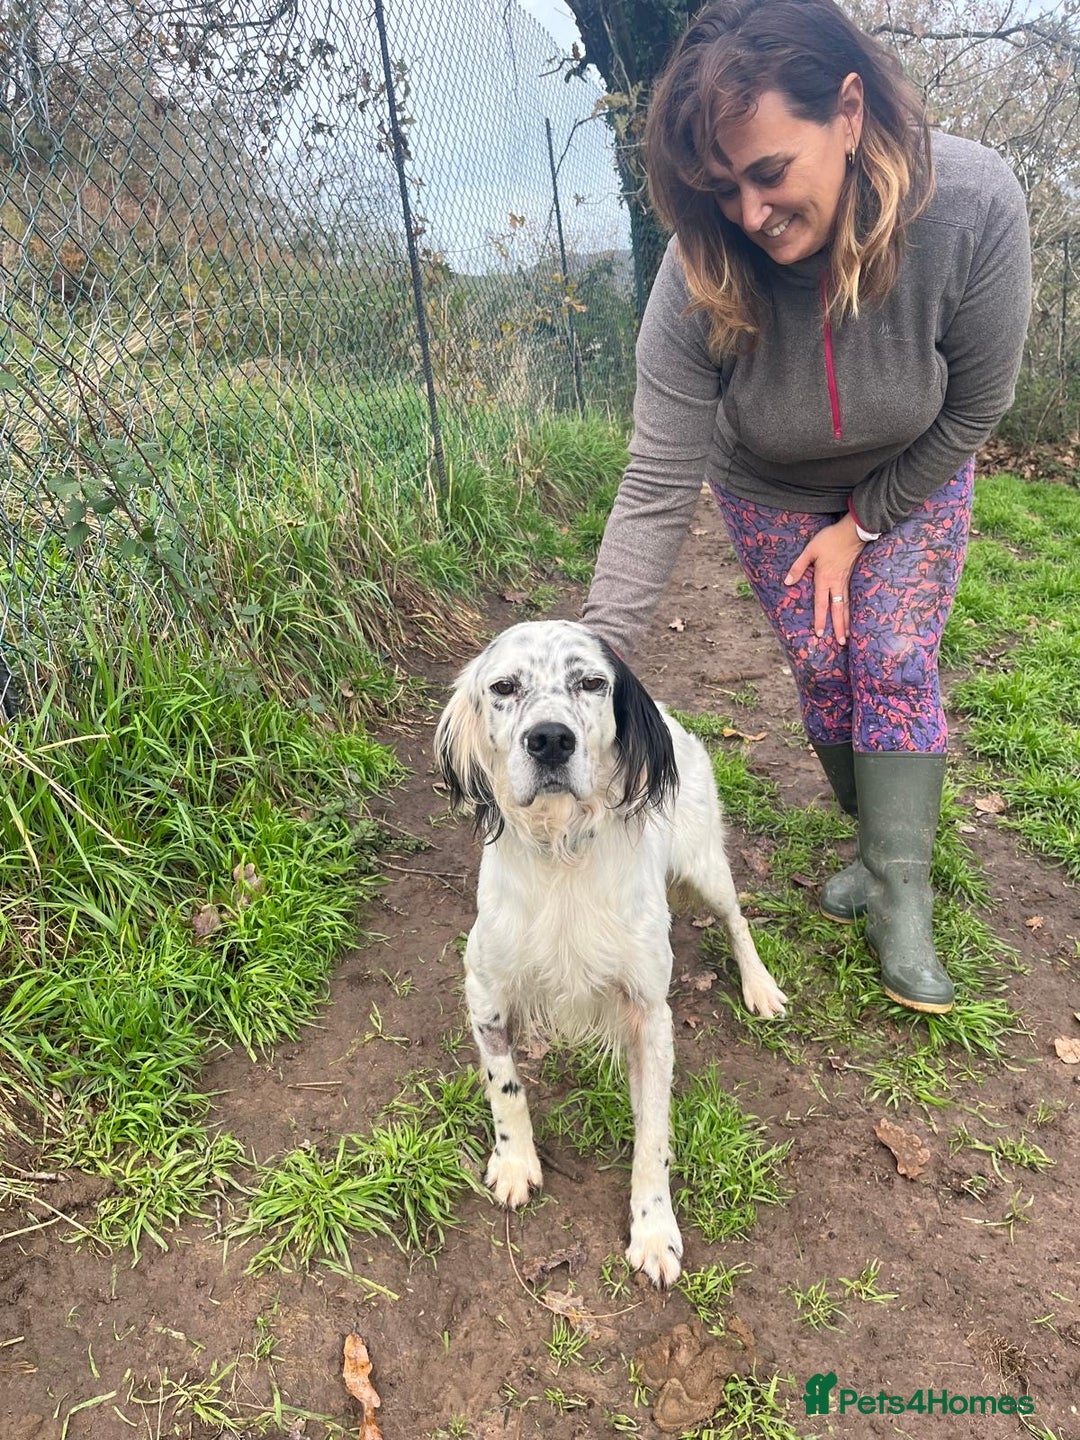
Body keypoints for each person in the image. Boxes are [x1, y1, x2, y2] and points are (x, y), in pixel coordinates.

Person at [581, 0, 1032, 1015]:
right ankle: (875, 853)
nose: (749, 213)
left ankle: (901, 896)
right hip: (769, 484)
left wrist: (862, 526)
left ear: (849, 111)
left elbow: (977, 405)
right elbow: (656, 480)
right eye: (722, 186)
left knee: (893, 656)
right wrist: (591, 660)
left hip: (915, 466)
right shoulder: (699, 267)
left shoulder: (971, 205)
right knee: (828, 670)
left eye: (770, 172)